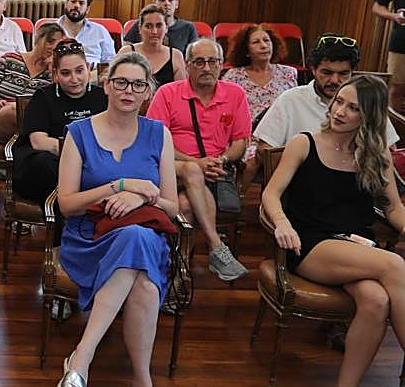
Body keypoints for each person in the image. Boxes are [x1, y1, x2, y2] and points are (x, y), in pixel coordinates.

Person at [262, 75, 405, 387]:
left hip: (357, 247)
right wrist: (281, 223)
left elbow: (393, 208)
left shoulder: (375, 155)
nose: (340, 111)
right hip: (311, 243)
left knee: (377, 300)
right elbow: (271, 194)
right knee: (395, 266)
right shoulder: (305, 143)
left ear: (369, 117)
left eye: (352, 108)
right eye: (339, 101)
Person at [54, 51, 180, 387]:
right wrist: (119, 185)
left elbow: (173, 207)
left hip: (144, 236)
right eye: (121, 82)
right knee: (144, 282)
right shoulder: (79, 133)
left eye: (138, 84)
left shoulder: (159, 134)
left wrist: (141, 198)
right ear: (106, 86)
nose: (129, 90)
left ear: (148, 92)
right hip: (89, 237)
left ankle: (82, 357)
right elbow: (66, 204)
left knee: (137, 237)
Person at [146, 38, 251, 283]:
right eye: (199, 62)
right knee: (192, 172)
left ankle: (178, 267)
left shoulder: (235, 94)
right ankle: (215, 247)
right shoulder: (168, 93)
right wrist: (196, 162)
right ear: (187, 65)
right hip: (170, 168)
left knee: (185, 205)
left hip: (215, 170)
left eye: (212, 61)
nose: (206, 67)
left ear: (221, 65)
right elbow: (156, 141)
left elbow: (240, 142)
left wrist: (221, 160)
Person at [13, 39, 108, 216]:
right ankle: (63, 222)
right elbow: (39, 142)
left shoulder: (103, 97)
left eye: (79, 71)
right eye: (66, 73)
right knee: (46, 165)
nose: (74, 79)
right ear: (55, 74)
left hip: (93, 161)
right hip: (50, 161)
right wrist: (77, 154)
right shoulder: (43, 97)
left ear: (88, 68)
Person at [256, 34, 398, 152]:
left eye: (343, 74)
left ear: (352, 72)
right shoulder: (291, 99)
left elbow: (390, 150)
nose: (335, 80)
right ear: (313, 69)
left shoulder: (367, 101)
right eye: (327, 72)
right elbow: (264, 150)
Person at [222, 24, 299, 175]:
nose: (263, 45)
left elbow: (294, 107)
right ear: (246, 51)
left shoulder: (288, 73)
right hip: (246, 137)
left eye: (266, 40)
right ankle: (240, 190)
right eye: (256, 42)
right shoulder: (234, 76)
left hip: (280, 135)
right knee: (252, 158)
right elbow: (225, 111)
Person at [0, 21, 65, 142]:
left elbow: (58, 99)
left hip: (38, 120)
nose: (53, 47)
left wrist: (53, 69)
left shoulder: (55, 72)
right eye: (50, 41)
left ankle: (39, 143)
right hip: (2, 117)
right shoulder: (9, 59)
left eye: (58, 45)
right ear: (38, 40)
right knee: (13, 111)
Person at [117, 4, 187, 87]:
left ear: (166, 28)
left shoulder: (176, 56)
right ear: (140, 29)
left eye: (159, 26)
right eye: (148, 26)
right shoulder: (126, 52)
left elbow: (181, 91)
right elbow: (114, 85)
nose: (154, 31)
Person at [123, 0, 200, 54]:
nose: (166, 3)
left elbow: (195, 56)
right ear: (155, 3)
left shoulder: (188, 27)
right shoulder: (141, 24)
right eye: (162, 0)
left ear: (176, 4)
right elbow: (126, 50)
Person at [371, 0, 405, 112]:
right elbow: (377, 6)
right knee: (396, 89)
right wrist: (394, 16)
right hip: (401, 42)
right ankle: (393, 125)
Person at [57, 0, 116, 69]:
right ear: (66, 4)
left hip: (93, 73)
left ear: (87, 9)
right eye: (73, 1)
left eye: (81, 3)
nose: (76, 6)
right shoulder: (51, 29)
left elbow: (110, 61)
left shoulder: (100, 31)